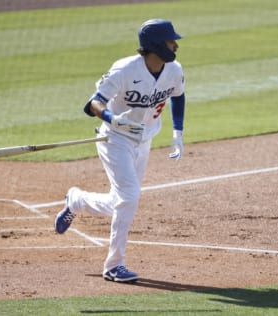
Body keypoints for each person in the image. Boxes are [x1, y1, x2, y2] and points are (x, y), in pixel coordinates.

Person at [54, 19, 186, 283]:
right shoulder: (124, 69)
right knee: (130, 196)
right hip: (115, 139)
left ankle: (77, 201)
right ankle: (114, 265)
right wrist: (112, 119)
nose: (175, 45)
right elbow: (93, 103)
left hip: (145, 138)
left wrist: (178, 132)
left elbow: (178, 95)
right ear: (156, 45)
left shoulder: (173, 70)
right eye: (171, 40)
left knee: (121, 201)